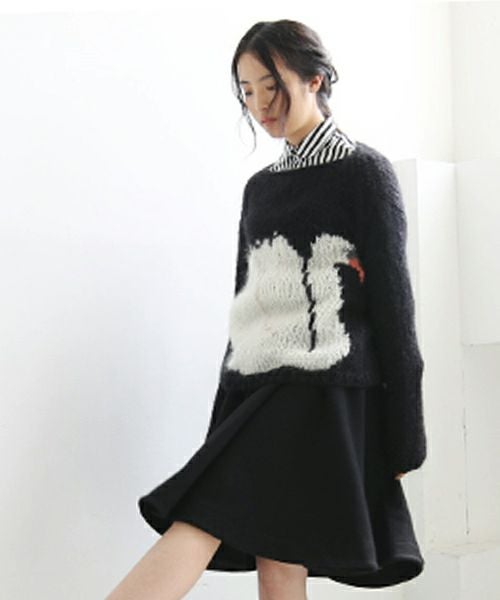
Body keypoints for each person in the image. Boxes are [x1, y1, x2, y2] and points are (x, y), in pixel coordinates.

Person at [106, 18, 428, 600]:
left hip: (325, 389)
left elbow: (394, 306)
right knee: (276, 559)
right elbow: (246, 312)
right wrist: (222, 422)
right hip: (262, 389)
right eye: (247, 91)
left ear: (315, 78)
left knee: (200, 520)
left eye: (270, 86)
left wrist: (406, 434)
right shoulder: (261, 188)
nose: (259, 105)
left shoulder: (364, 172)